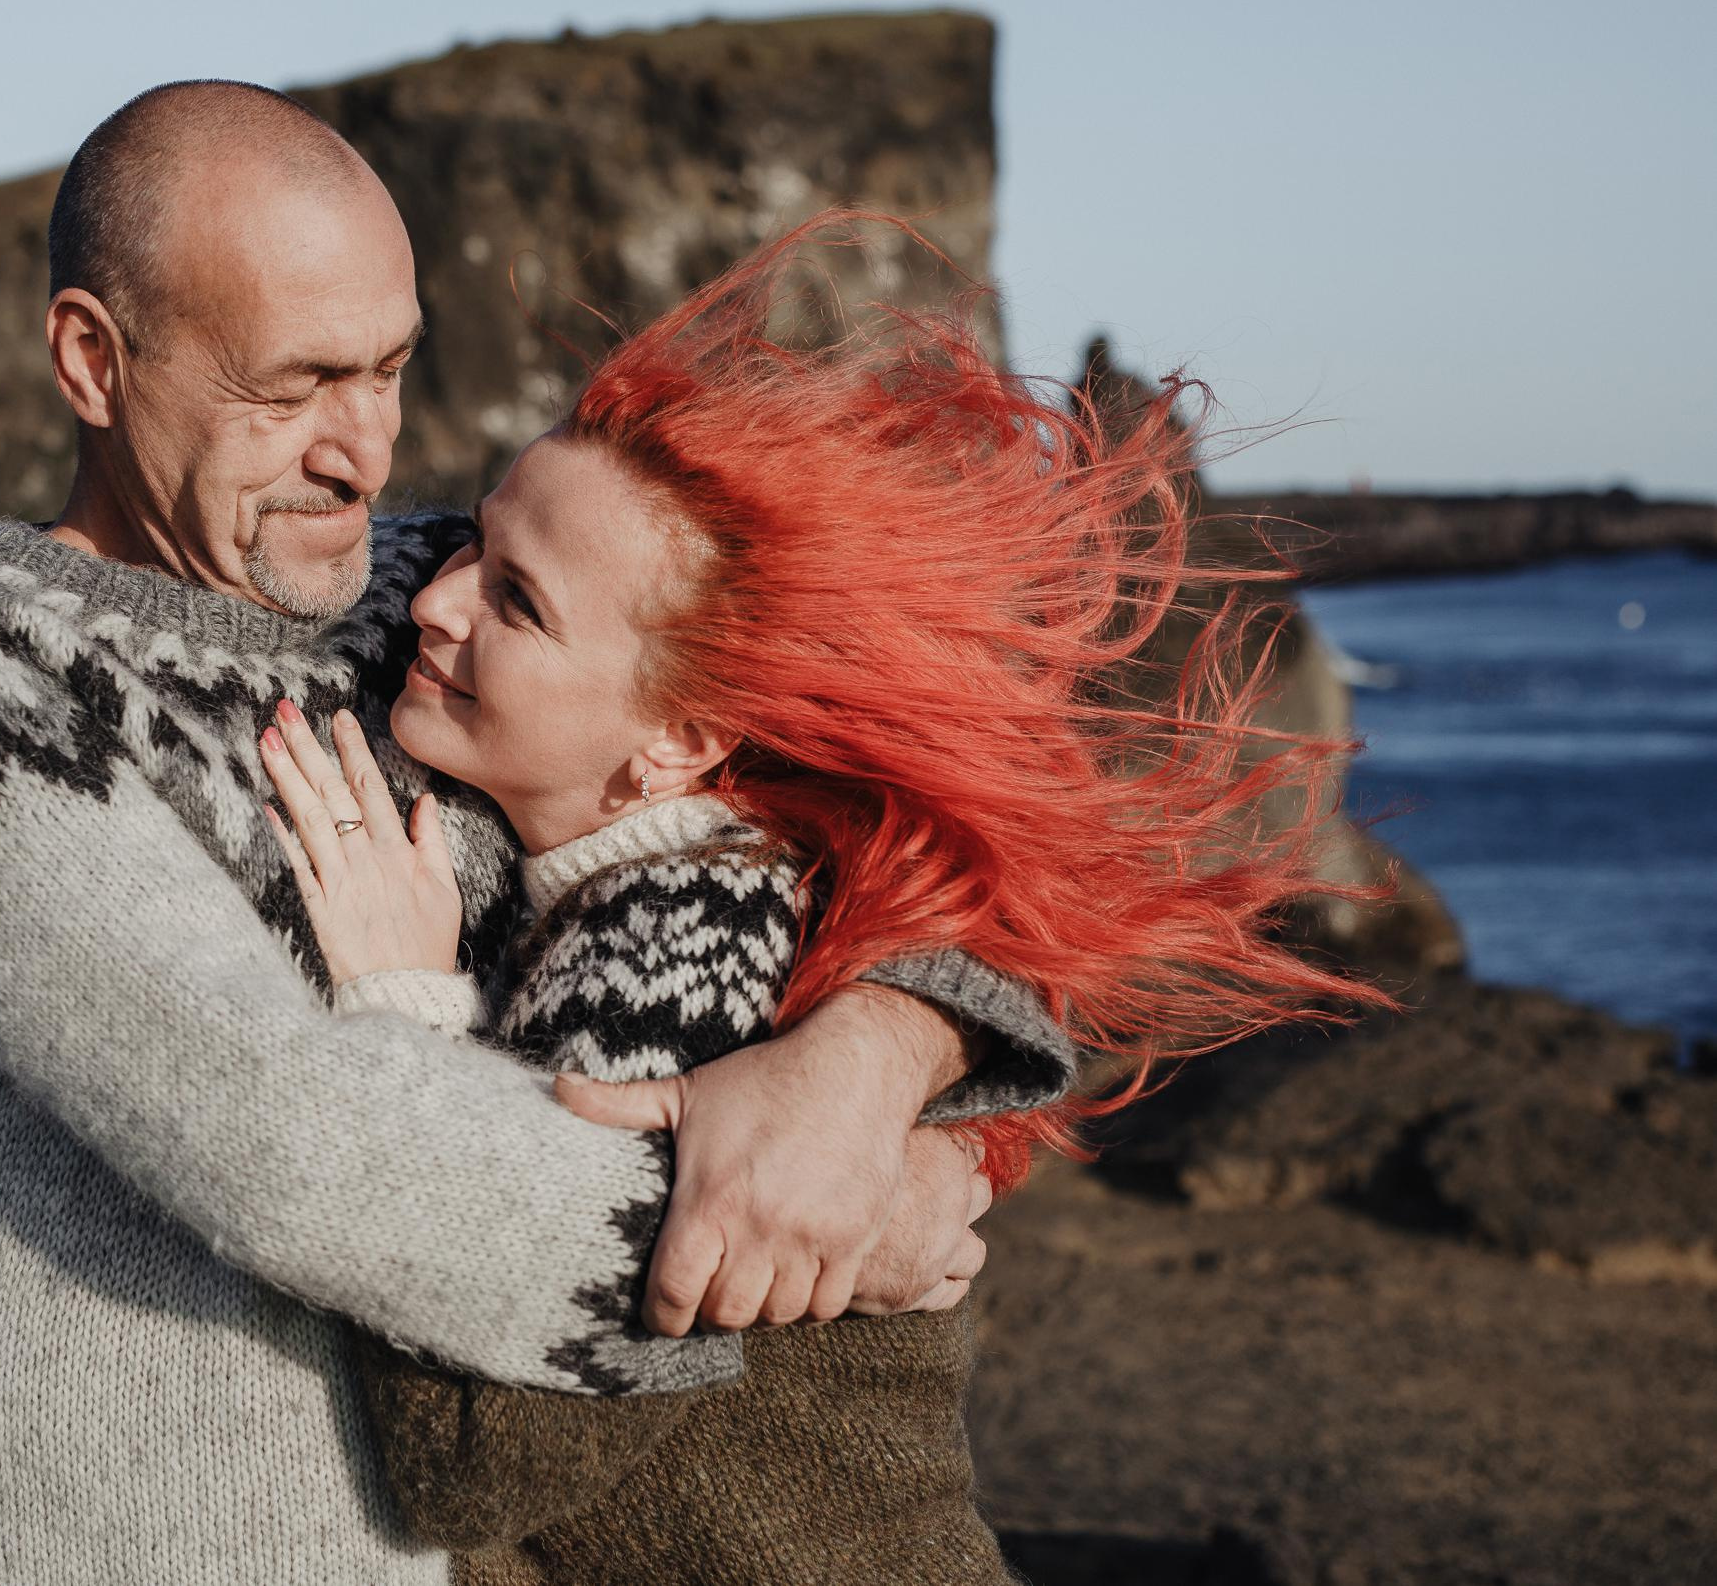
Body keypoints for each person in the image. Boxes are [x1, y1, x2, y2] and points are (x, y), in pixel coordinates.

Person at [0, 83, 1073, 1584]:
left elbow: (942, 834)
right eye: (297, 387)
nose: (365, 451)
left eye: (392, 370)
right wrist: (824, 1239)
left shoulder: (442, 600)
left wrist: (871, 1072)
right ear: (95, 359)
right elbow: (291, 1139)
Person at [253, 218, 1387, 1583]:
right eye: (475, 548)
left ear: (674, 741)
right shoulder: (704, 877)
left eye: (518, 602)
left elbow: (483, 1461)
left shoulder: (673, 952)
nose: (435, 605)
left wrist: (406, 1018)